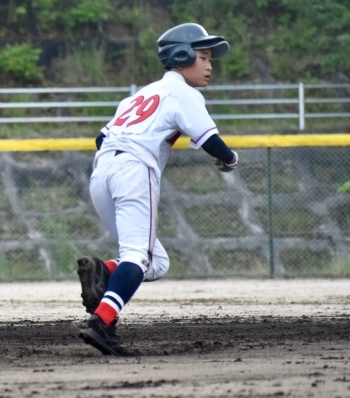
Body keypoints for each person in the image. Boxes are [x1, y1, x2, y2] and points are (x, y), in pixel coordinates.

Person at [77, 23, 238, 356]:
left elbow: (100, 138)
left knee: (156, 262)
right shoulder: (184, 93)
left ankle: (103, 271)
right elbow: (211, 141)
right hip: (134, 172)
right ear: (181, 56)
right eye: (203, 56)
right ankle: (102, 321)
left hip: (101, 173)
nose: (209, 65)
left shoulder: (139, 95)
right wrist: (230, 158)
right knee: (138, 256)